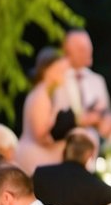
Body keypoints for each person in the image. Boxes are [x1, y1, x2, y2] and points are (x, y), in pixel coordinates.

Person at [15, 46, 76, 175]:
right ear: (49, 70)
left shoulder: (43, 93)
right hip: (34, 158)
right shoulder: (41, 96)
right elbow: (40, 135)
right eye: (61, 71)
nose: (64, 76)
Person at [53, 28, 111, 130]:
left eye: (89, 48)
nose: (88, 52)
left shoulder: (97, 80)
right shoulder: (57, 79)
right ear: (68, 51)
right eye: (82, 49)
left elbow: (108, 117)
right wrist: (79, 120)